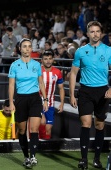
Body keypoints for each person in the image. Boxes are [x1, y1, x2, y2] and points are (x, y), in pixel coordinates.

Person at [69, 21, 111, 169]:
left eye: (97, 31)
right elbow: (73, 74)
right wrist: (72, 94)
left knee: (99, 125)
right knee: (85, 123)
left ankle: (97, 159)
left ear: (101, 33)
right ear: (87, 34)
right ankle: (84, 159)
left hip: (102, 92)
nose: (95, 34)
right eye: (92, 31)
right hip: (85, 91)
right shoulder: (80, 51)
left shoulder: (108, 50)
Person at [8, 38, 48, 169]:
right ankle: (26, 156)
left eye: (29, 46)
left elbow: (41, 83)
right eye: (24, 46)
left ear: (32, 49)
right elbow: (11, 85)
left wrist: (45, 99)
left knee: (34, 129)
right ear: (20, 49)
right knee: (22, 130)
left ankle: (33, 156)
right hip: (20, 99)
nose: (27, 49)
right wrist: (11, 102)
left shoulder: (36, 65)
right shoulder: (14, 65)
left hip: (35, 98)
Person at [39, 50, 65, 139]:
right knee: (42, 122)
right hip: (38, 103)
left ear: (53, 59)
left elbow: (61, 88)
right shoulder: (38, 71)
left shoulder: (57, 72)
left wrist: (62, 103)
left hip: (50, 104)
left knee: (48, 129)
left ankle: (45, 147)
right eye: (45, 59)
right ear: (41, 60)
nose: (48, 61)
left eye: (50, 59)